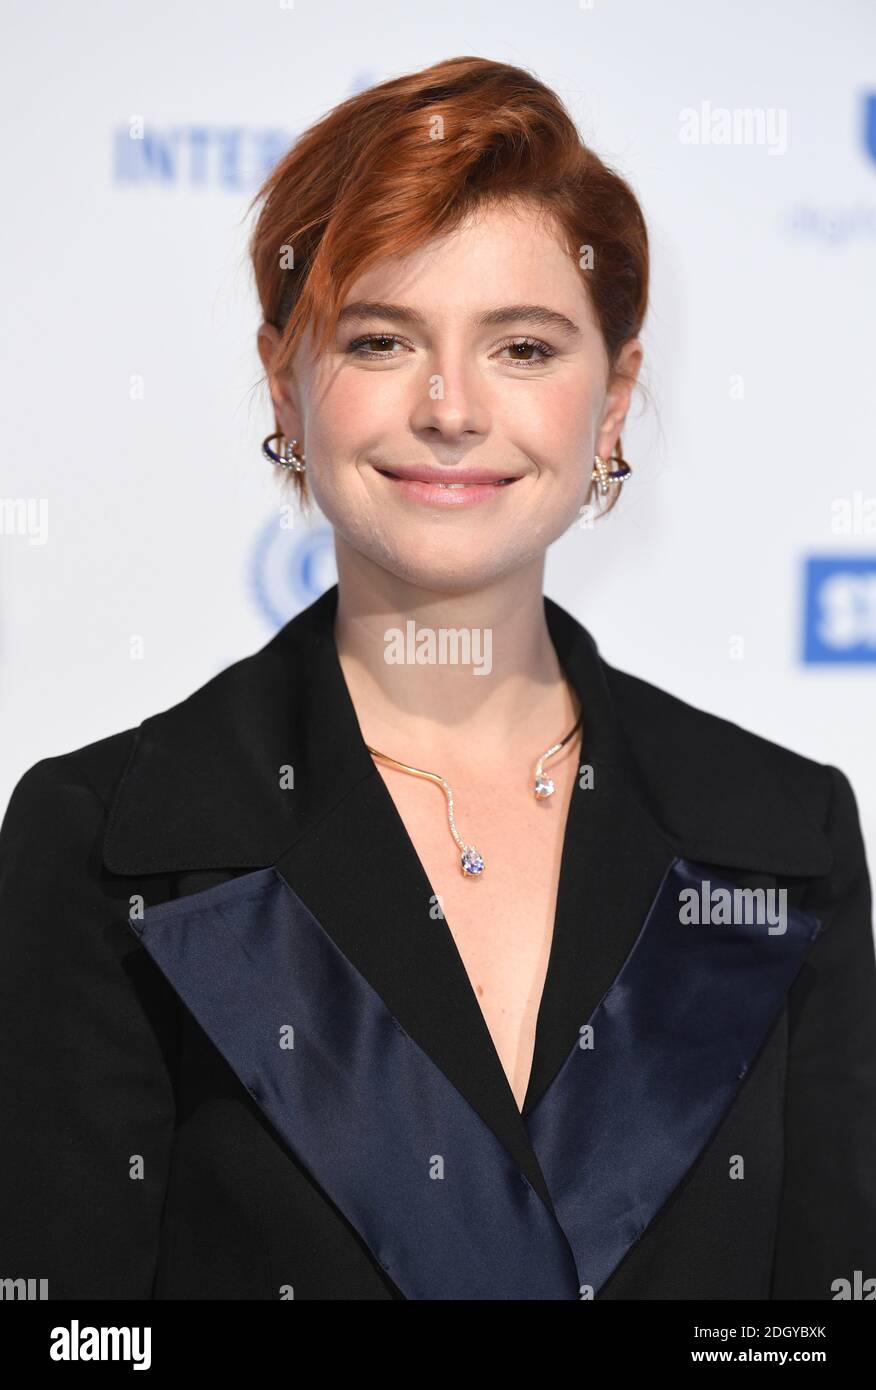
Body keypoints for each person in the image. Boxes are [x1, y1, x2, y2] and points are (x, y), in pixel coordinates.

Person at [1, 55, 874, 1302]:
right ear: (286, 387)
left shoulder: (780, 835)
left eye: (522, 345)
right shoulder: (109, 841)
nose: (451, 407)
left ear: (612, 400)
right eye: (379, 339)